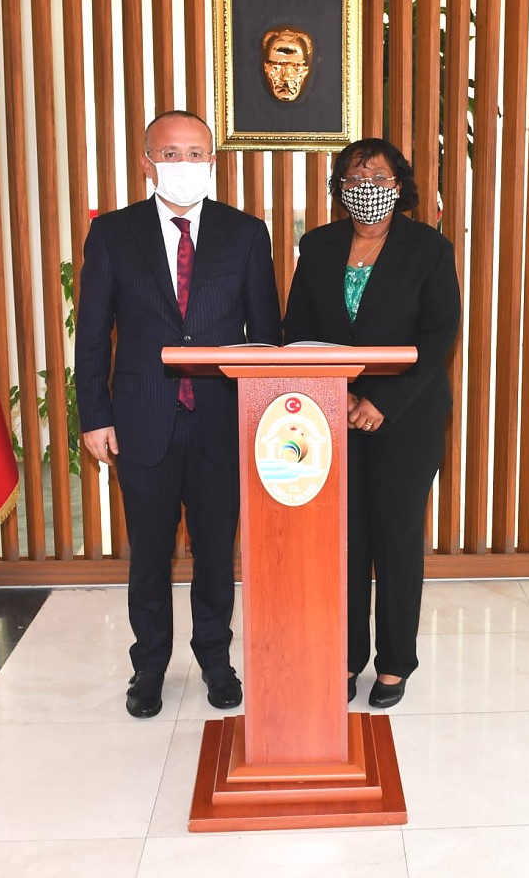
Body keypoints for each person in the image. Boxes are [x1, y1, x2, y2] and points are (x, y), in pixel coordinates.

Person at [75, 110, 281, 719]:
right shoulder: (113, 233)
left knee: (217, 552)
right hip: (142, 419)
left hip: (222, 420)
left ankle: (216, 660)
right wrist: (94, 415)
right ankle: (150, 667)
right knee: (149, 556)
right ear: (147, 162)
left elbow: (265, 337)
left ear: (212, 161)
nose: (183, 164)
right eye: (170, 154)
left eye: (195, 154)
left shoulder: (245, 233)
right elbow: (92, 335)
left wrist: (263, 417)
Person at [283, 138, 460, 708]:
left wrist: (380, 399)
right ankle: (346, 657)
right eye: (356, 174)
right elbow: (297, 330)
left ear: (400, 186)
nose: (367, 184)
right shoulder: (317, 245)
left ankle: (394, 663)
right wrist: (339, 396)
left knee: (397, 539)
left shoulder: (429, 250)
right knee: (343, 543)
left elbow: (438, 336)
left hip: (405, 418)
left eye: (380, 175)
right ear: (339, 185)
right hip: (331, 415)